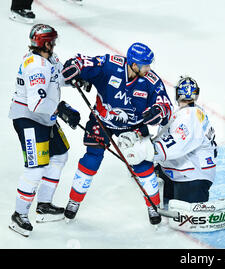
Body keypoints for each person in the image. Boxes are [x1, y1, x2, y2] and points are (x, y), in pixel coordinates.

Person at [61, 42, 172, 225]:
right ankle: (74, 201)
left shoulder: (151, 81)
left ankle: (153, 205)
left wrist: (159, 111)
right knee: (91, 159)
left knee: (142, 165)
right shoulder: (110, 65)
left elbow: (165, 105)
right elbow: (84, 62)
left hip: (132, 128)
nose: (149, 68)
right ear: (134, 65)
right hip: (101, 121)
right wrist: (75, 65)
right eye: (145, 65)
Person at [8, 24, 81, 237]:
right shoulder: (35, 66)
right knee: (36, 167)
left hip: (44, 119)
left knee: (59, 155)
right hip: (28, 119)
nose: (54, 44)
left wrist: (76, 79)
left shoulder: (49, 59)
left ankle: (44, 205)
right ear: (45, 43)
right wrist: (62, 109)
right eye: (52, 41)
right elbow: (36, 103)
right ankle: (18, 214)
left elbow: (59, 77)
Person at [118, 76, 217, 204]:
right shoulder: (184, 114)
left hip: (192, 176)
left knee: (182, 219)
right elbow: (165, 137)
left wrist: (146, 150)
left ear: (177, 94)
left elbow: (177, 144)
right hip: (175, 172)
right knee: (140, 172)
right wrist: (139, 138)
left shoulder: (190, 116)